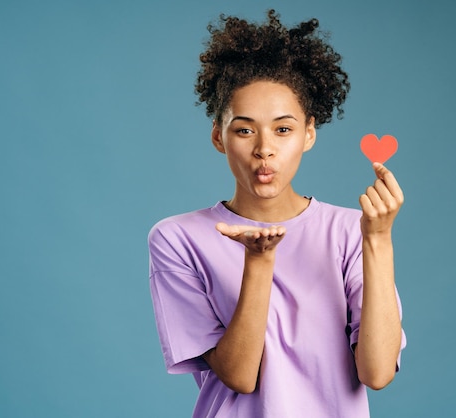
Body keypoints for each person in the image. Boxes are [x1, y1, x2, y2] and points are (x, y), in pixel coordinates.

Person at [148, 10, 406, 417]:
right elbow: (239, 376)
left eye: (283, 129)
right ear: (219, 136)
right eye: (245, 129)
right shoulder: (177, 238)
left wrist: (377, 239)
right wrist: (259, 260)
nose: (264, 148)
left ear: (309, 133)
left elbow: (376, 372)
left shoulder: (348, 231)